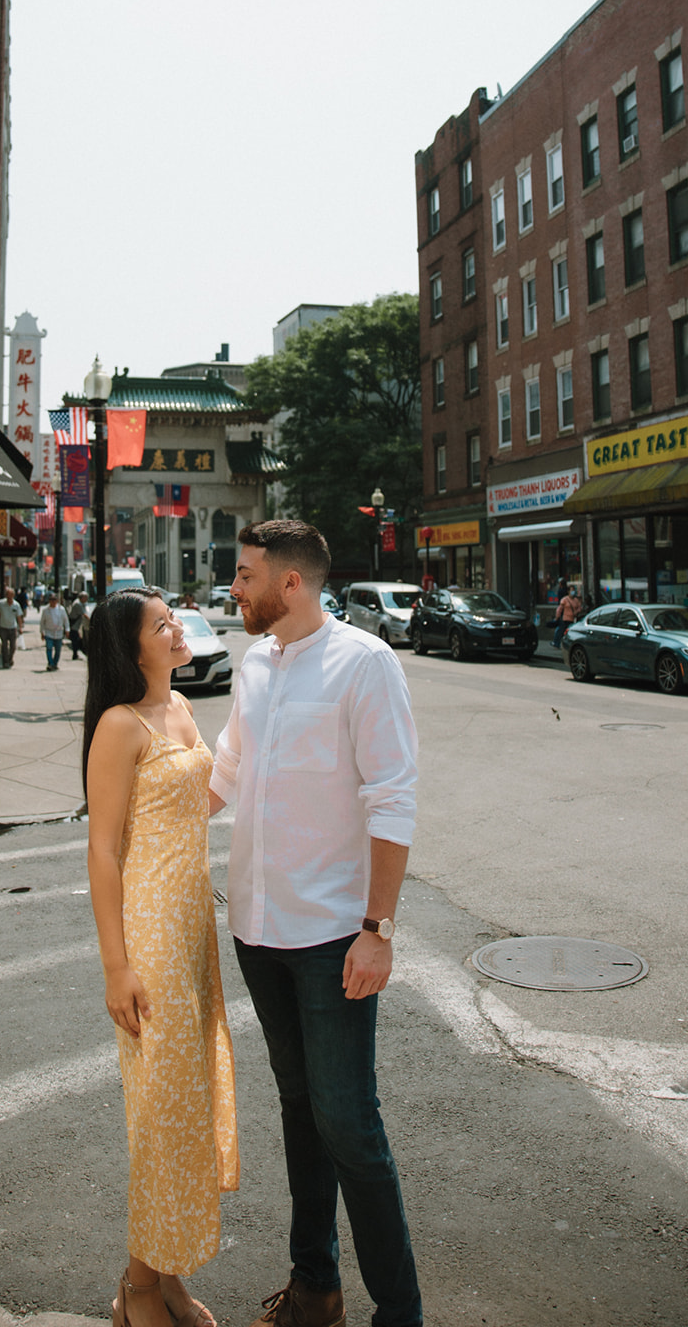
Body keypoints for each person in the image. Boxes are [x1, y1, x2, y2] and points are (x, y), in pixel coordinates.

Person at [210, 521, 421, 1327]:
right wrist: (142, 821)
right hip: (257, 933)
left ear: (290, 583)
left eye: (244, 574)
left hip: (334, 937)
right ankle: (314, 1288)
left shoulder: (364, 664)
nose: (235, 587)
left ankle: (400, 1314)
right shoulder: (253, 663)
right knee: (300, 1110)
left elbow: (393, 798)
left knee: (349, 1124)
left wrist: (379, 928)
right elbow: (228, 771)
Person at [85, 587, 239, 1327]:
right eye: (163, 623)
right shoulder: (119, 725)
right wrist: (118, 966)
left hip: (191, 928)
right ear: (131, 647)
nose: (178, 628)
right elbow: (103, 849)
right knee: (159, 1112)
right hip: (148, 932)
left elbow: (192, 802)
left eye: (173, 618)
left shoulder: (178, 709)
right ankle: (138, 1288)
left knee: (187, 1104)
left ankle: (165, 1276)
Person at [0, 586, 23, 668]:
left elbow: (19, 617)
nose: (9, 597)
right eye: (8, 595)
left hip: (13, 628)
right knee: (4, 646)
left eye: (11, 595)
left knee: (13, 646)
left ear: (13, 596)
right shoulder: (1, 603)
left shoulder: (16, 605)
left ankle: (10, 659)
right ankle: (5, 662)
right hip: (3, 627)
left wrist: (20, 628)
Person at [39, 591, 69, 670]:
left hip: (58, 632)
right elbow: (42, 622)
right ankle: (50, 663)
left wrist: (67, 629)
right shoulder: (45, 610)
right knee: (49, 648)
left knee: (58, 650)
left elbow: (66, 620)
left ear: (57, 601)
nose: (53, 602)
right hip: (49, 632)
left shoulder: (61, 609)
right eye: (51, 600)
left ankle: (55, 663)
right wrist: (42, 632)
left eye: (54, 600)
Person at [552, 584, 583, 648]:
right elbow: (560, 609)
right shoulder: (565, 600)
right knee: (561, 631)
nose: (573, 592)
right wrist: (557, 617)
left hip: (573, 619)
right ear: (568, 591)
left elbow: (580, 607)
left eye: (573, 590)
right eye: (571, 590)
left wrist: (576, 612)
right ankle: (557, 643)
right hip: (565, 619)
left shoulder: (576, 600)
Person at [70, 591, 91, 660]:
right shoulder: (77, 604)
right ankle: (75, 654)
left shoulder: (81, 603)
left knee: (77, 639)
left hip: (77, 625)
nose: (86, 599)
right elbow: (84, 614)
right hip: (74, 625)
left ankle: (76, 653)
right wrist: (91, 620)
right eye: (85, 598)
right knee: (76, 640)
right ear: (82, 598)